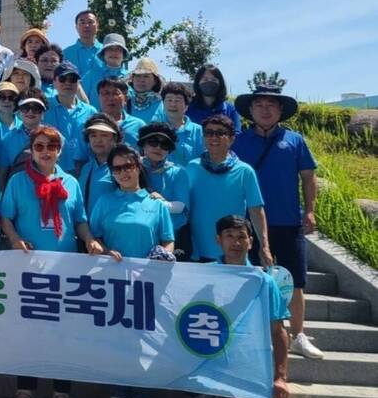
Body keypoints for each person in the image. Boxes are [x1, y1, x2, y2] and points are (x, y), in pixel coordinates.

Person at [1, 125, 102, 398]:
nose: (46, 152)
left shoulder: (69, 181)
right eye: (40, 146)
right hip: (29, 269)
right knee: (29, 332)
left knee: (63, 333)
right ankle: (25, 389)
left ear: (60, 150)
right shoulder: (18, 182)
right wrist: (16, 239)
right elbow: (6, 218)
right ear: (31, 150)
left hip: (64, 268)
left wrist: (89, 239)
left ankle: (62, 391)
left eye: (52, 146)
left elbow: (80, 220)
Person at [233, 85, 321, 360]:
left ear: (281, 110)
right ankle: (257, 334)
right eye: (259, 105)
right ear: (250, 110)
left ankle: (298, 335)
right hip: (250, 224)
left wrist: (310, 211)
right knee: (252, 278)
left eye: (272, 104)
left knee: (295, 281)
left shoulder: (295, 140)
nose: (265, 109)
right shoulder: (239, 142)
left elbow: (308, 177)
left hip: (287, 220)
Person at [89, 145, 175, 398]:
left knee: (148, 342)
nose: (123, 173)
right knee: (118, 341)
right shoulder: (104, 201)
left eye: (128, 166)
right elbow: (94, 238)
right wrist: (103, 250)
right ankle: (119, 394)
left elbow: (167, 239)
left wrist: (163, 257)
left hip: (149, 284)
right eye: (117, 169)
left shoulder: (156, 203)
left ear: (138, 166)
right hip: (113, 282)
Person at [187, 215, 291, 398]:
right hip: (208, 363)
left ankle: (227, 396)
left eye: (241, 237)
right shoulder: (205, 276)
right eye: (229, 236)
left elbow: (278, 330)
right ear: (219, 240)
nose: (235, 243)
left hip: (247, 368)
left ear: (251, 242)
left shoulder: (264, 282)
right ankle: (211, 395)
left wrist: (280, 377)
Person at [187, 115, 272, 265]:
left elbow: (256, 210)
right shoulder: (192, 167)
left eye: (220, 133)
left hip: (232, 254)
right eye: (209, 133)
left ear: (232, 138)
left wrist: (264, 246)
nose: (214, 137)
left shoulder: (245, 171)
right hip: (197, 252)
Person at [137, 122, 191, 257]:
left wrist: (157, 202)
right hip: (141, 235)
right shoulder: (133, 169)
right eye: (153, 142)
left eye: (165, 145)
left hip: (173, 237)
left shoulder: (179, 172)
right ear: (143, 145)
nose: (159, 148)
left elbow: (179, 206)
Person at [43, 61, 96, 170]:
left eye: (72, 79)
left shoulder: (91, 112)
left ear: (78, 83)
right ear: (54, 82)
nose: (67, 83)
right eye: (62, 79)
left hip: (84, 171)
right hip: (52, 170)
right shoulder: (44, 108)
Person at [0, 89, 49, 188]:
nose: (30, 112)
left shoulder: (56, 138)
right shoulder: (8, 138)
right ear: (19, 111)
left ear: (43, 113)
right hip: (18, 192)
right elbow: (3, 172)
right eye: (25, 108)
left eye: (36, 108)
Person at [77, 114, 121, 214]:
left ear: (114, 139)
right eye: (93, 135)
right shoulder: (86, 168)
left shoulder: (123, 167)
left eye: (104, 135)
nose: (98, 140)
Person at [187, 64, 242, 134]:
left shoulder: (230, 110)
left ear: (220, 83)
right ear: (198, 83)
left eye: (213, 79)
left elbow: (236, 135)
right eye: (205, 79)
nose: (209, 82)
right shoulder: (188, 108)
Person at [81, 33, 130, 110]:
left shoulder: (131, 77)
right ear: (103, 54)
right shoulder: (91, 75)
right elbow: (80, 101)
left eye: (118, 50)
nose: (114, 52)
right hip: (96, 121)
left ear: (123, 55)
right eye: (110, 49)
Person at [159, 82, 204, 167]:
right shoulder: (154, 129)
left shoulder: (199, 131)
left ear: (186, 106)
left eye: (178, 100)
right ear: (163, 104)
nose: (173, 104)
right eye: (169, 100)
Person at [62, 9, 102, 77]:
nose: (86, 25)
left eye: (90, 22)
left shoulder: (106, 51)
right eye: (82, 22)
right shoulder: (65, 54)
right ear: (76, 27)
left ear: (97, 26)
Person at [127, 57, 164, 123]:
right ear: (132, 79)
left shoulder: (163, 104)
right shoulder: (124, 101)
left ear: (155, 81)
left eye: (146, 76)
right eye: (138, 76)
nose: (141, 80)